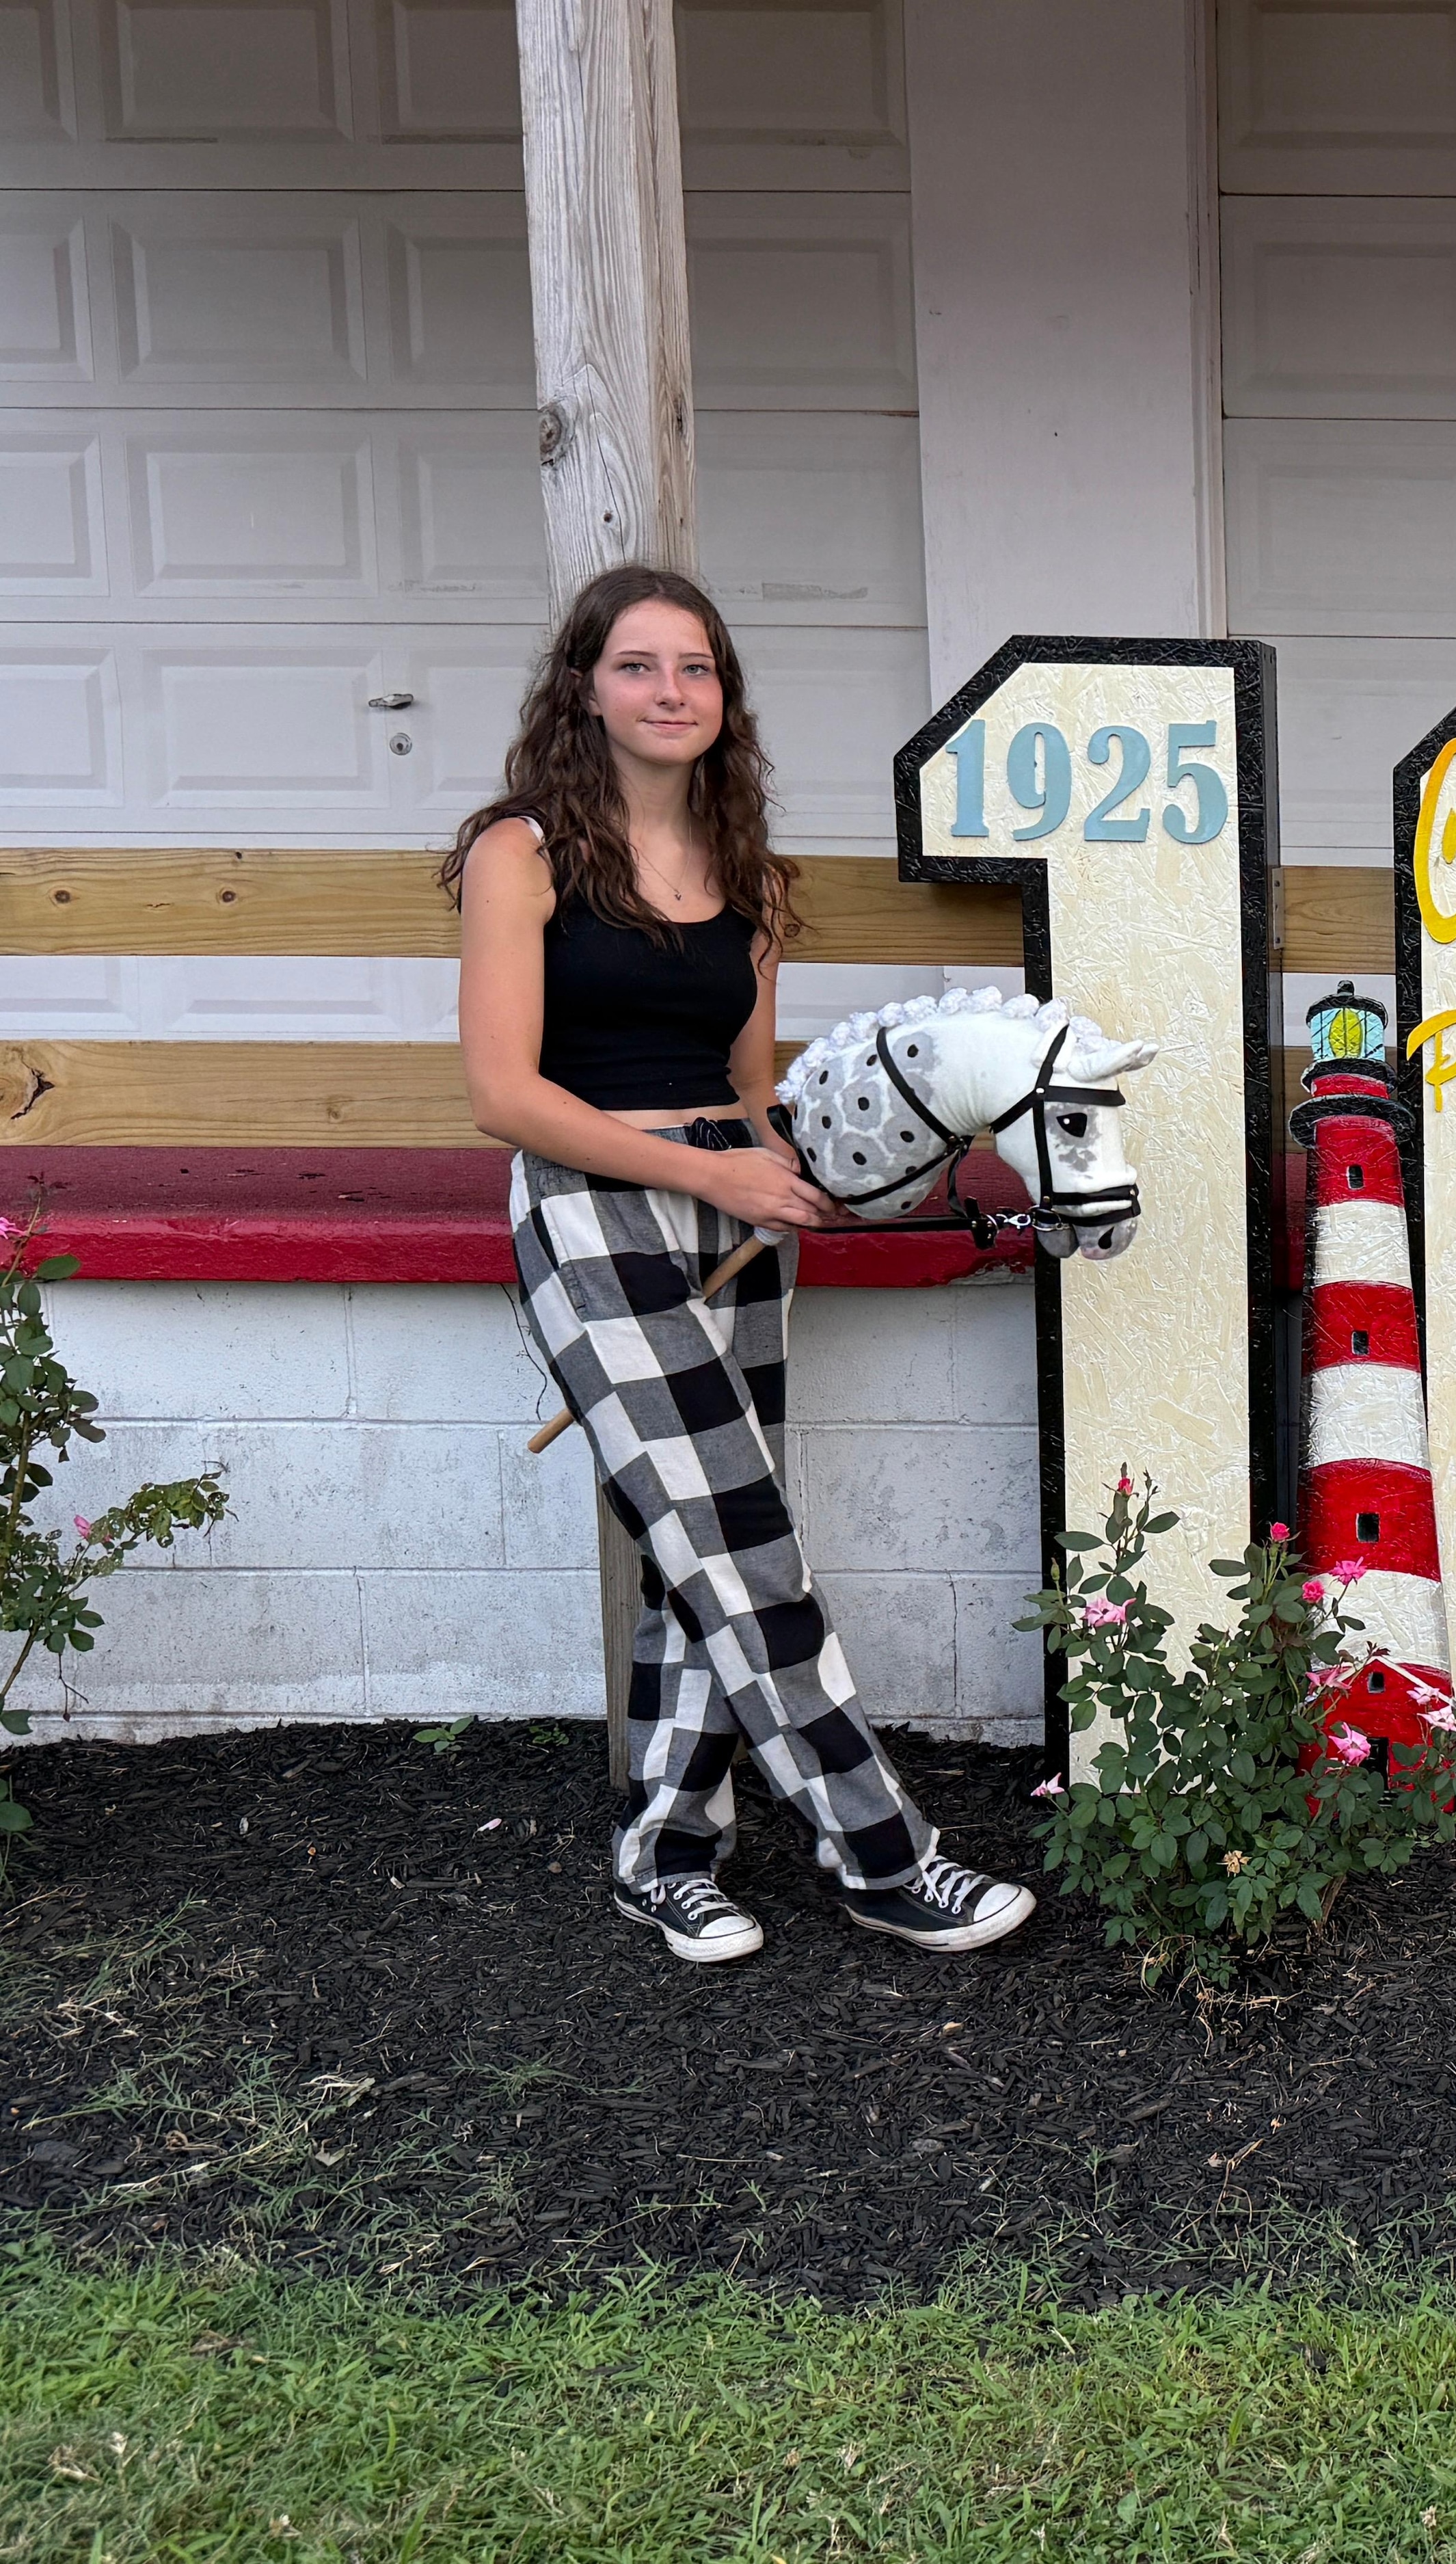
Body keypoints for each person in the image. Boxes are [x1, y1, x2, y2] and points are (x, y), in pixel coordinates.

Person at [447, 563, 1034, 1965]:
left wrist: (819, 1173)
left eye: (696, 667)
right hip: (592, 1211)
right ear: (584, 687)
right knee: (743, 1545)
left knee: (700, 1543)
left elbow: (752, 1089)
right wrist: (712, 1171)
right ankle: (885, 1856)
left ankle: (665, 1851)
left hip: (734, 1220)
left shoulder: (752, 871)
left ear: (726, 694)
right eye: (639, 665)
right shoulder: (521, 853)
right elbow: (502, 1096)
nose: (671, 691)